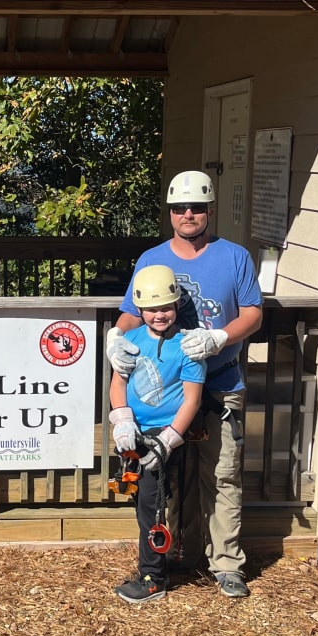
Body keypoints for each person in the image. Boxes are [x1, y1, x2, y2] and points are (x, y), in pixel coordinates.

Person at [106, 170, 263, 598]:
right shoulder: (153, 259)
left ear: (210, 209)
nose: (188, 214)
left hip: (220, 381)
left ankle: (227, 564)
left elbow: (253, 314)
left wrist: (220, 337)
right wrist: (115, 337)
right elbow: (133, 312)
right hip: (166, 389)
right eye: (179, 208)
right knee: (169, 477)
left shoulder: (234, 257)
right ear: (171, 212)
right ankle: (175, 555)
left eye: (196, 207)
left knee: (221, 473)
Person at [110, 265, 205, 604]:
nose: (159, 314)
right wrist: (121, 418)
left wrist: (169, 439)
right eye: (151, 308)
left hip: (165, 436)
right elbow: (118, 384)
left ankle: (153, 578)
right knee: (143, 502)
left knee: (154, 508)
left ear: (177, 305)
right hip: (134, 433)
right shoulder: (131, 342)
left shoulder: (188, 346)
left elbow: (192, 399)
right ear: (139, 310)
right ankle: (159, 565)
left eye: (166, 307)